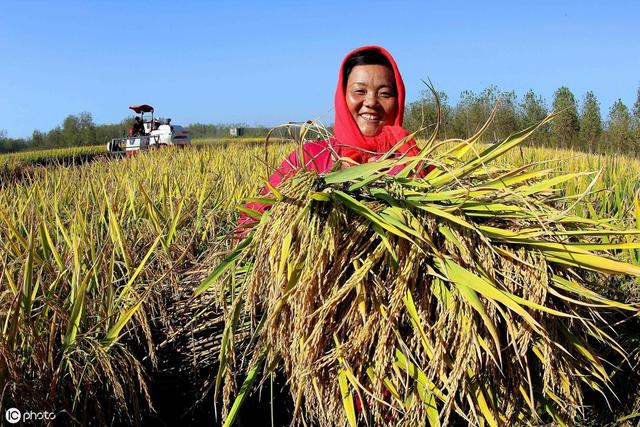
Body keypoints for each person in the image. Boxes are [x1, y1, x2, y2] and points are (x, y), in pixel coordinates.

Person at [236, 45, 427, 235]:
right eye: (360, 91)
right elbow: (248, 226)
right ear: (342, 97)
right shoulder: (308, 158)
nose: (371, 102)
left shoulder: (414, 162)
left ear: (398, 99)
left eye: (384, 93)